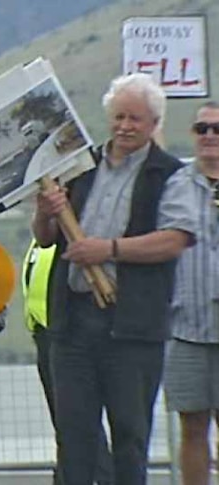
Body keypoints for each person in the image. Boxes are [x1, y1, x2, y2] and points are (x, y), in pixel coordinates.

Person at [32, 73, 195, 485]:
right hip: (72, 326)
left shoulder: (169, 174)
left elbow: (175, 239)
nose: (125, 126)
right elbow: (45, 237)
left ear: (154, 123)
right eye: (119, 116)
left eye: (135, 119)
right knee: (74, 438)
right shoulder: (79, 165)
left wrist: (108, 250)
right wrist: (45, 209)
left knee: (129, 439)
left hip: (133, 329)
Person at [22, 239, 115, 485]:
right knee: (67, 423)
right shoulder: (42, 236)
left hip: (62, 331)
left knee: (81, 424)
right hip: (45, 331)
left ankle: (104, 478)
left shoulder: (68, 234)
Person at [162, 101, 219, 485]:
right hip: (187, 327)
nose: (210, 137)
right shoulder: (177, 184)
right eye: (202, 129)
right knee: (192, 426)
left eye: (217, 130)